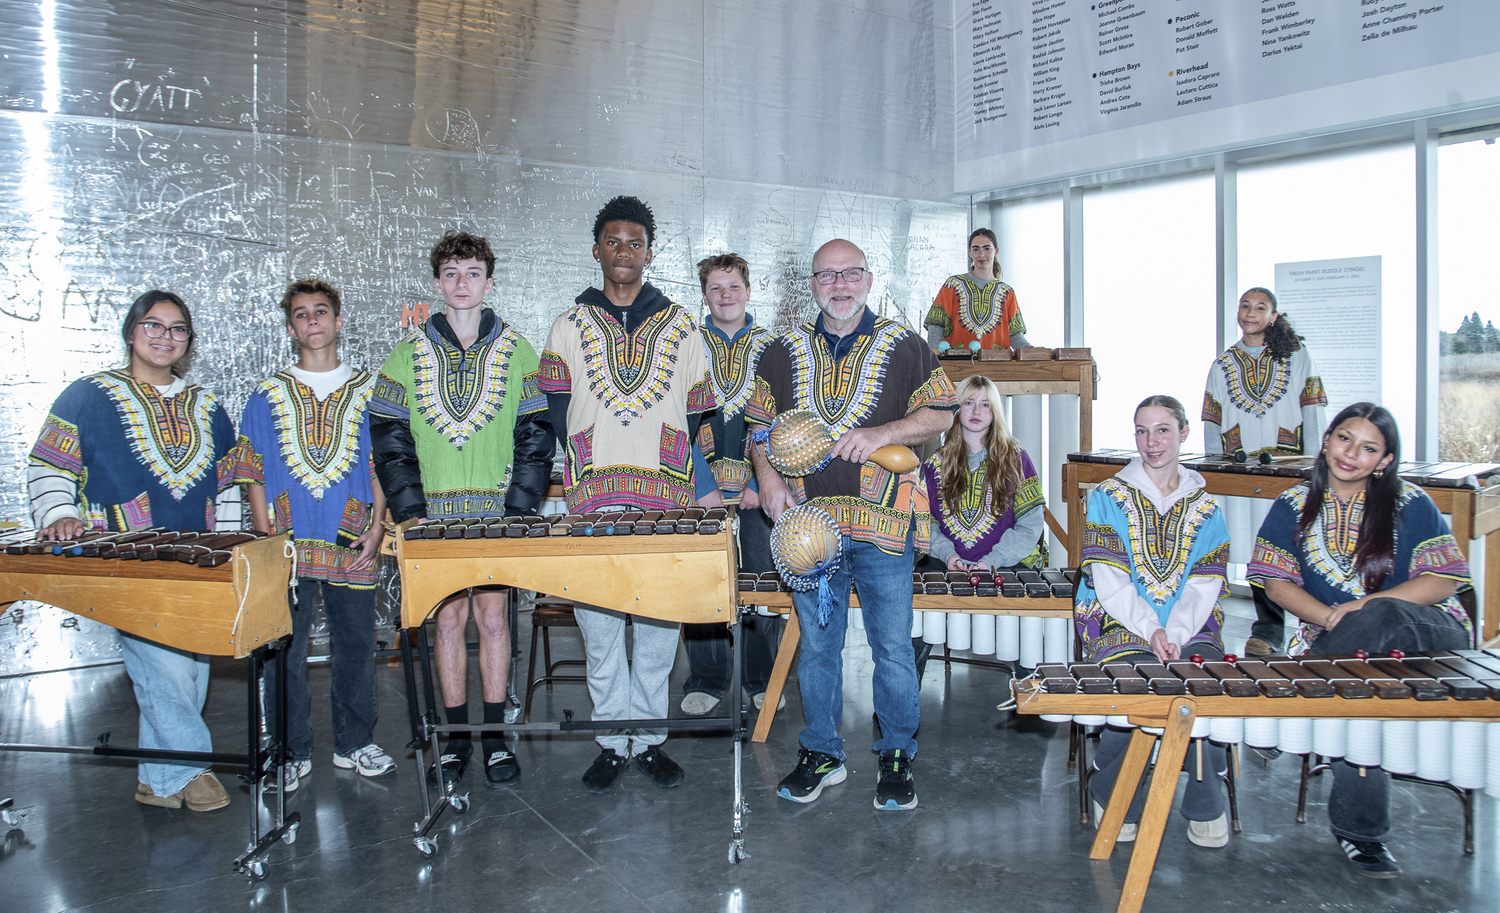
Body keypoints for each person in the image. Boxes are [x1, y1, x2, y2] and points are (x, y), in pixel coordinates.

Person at [749, 238, 956, 810]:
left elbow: (940, 414)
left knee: (891, 647)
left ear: (868, 279)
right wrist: (767, 480)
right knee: (818, 647)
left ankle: (896, 754)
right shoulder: (781, 350)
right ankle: (821, 752)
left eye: (850, 274)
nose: (839, 285)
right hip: (810, 527)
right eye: (827, 276)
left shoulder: (905, 344)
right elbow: (760, 428)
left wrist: (880, 434)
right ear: (811, 285)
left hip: (886, 525)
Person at [28, 290, 238, 812]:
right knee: (162, 668)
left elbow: (230, 484)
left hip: (200, 559)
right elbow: (49, 464)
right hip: (128, 560)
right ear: (130, 331)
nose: (165, 337)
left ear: (188, 341)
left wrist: (235, 548)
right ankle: (192, 767)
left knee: (189, 671)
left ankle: (154, 781)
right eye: (154, 325)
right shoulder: (87, 396)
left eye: (177, 329)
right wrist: (58, 515)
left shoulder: (208, 407)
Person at [1248, 402, 1471, 879]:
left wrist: (1358, 609)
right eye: (1344, 438)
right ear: (1327, 439)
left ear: (1385, 461)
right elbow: (1275, 583)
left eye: (1369, 448)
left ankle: (1289, 701)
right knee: (1355, 687)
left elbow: (1443, 580)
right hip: (1345, 649)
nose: (1351, 454)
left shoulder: (1411, 503)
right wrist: (1333, 617)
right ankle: (1362, 835)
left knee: (1383, 612)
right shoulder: (1291, 505)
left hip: (1430, 634)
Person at [539, 195, 717, 793]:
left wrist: (698, 480)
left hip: (665, 495)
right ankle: (613, 740)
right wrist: (579, 468)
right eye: (612, 241)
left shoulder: (684, 325)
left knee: (660, 620)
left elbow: (700, 413)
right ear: (597, 250)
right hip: (592, 496)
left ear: (649, 251)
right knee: (599, 623)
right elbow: (555, 413)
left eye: (634, 242)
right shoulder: (567, 325)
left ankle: (652, 736)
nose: (623, 251)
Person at [370, 231, 554, 789]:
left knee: (494, 620)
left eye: (472, 272)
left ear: (490, 282)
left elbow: (537, 434)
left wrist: (519, 510)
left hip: (496, 517)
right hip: (433, 521)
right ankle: (454, 740)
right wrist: (409, 512)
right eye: (451, 273)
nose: (462, 283)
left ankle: (495, 738)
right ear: (436, 284)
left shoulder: (519, 351)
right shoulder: (406, 353)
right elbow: (389, 436)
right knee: (447, 621)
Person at [234, 279, 394, 792]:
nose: (313, 322)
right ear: (290, 328)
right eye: (301, 315)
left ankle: (355, 743)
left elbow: (382, 465)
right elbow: (251, 469)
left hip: (352, 537)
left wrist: (378, 525)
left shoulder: (371, 392)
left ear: (339, 321)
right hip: (286, 540)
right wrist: (266, 537)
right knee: (284, 646)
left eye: (321, 311)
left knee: (355, 644)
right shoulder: (267, 395)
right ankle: (288, 750)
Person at [1074, 395, 1232, 849]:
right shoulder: (1108, 496)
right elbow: (1109, 580)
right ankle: (1113, 789)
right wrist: (1153, 630)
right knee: (1136, 679)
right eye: (1141, 431)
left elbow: (1204, 587)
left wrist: (1176, 633)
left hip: (1192, 624)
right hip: (1116, 617)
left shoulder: (1208, 509)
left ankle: (1204, 796)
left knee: (1201, 681)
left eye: (1162, 430)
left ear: (1183, 432)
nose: (1151, 442)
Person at [680, 253, 781, 716]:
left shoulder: (772, 347)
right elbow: (676, 418)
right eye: (716, 288)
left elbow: (783, 420)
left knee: (761, 580)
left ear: (748, 289)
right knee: (702, 584)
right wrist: (703, 485)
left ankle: (763, 678)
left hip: (759, 490)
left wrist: (764, 482)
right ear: (704, 294)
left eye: (734, 286)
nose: (725, 295)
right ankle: (708, 677)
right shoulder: (686, 343)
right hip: (698, 488)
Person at [1202, 286, 1328, 657]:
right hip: (1240, 469)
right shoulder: (1223, 364)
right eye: (1245, 305)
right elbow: (1212, 418)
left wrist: (1315, 461)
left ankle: (1311, 623)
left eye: (1260, 307)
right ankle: (1269, 628)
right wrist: (1213, 465)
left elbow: (1314, 407)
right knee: (1253, 545)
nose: (1250, 312)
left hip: (1288, 468)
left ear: (1273, 316)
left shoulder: (1298, 356)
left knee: (1286, 544)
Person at [914, 374, 1046, 679]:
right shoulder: (935, 463)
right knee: (913, 615)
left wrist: (992, 561)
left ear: (995, 411)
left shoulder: (1017, 459)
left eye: (985, 405)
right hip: (947, 563)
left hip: (1006, 564)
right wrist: (948, 555)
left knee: (1026, 632)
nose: (976, 411)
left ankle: (1033, 703)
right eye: (969, 402)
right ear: (957, 409)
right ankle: (901, 706)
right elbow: (925, 523)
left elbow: (1030, 524)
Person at [923, 228, 1029, 351]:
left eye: (987, 248)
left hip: (997, 365)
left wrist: (1036, 352)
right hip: (957, 365)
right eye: (976, 249)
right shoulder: (952, 285)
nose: (981, 254)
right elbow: (936, 326)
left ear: (996, 251)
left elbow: (1016, 336)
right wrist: (934, 361)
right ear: (970, 252)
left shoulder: (1007, 292)